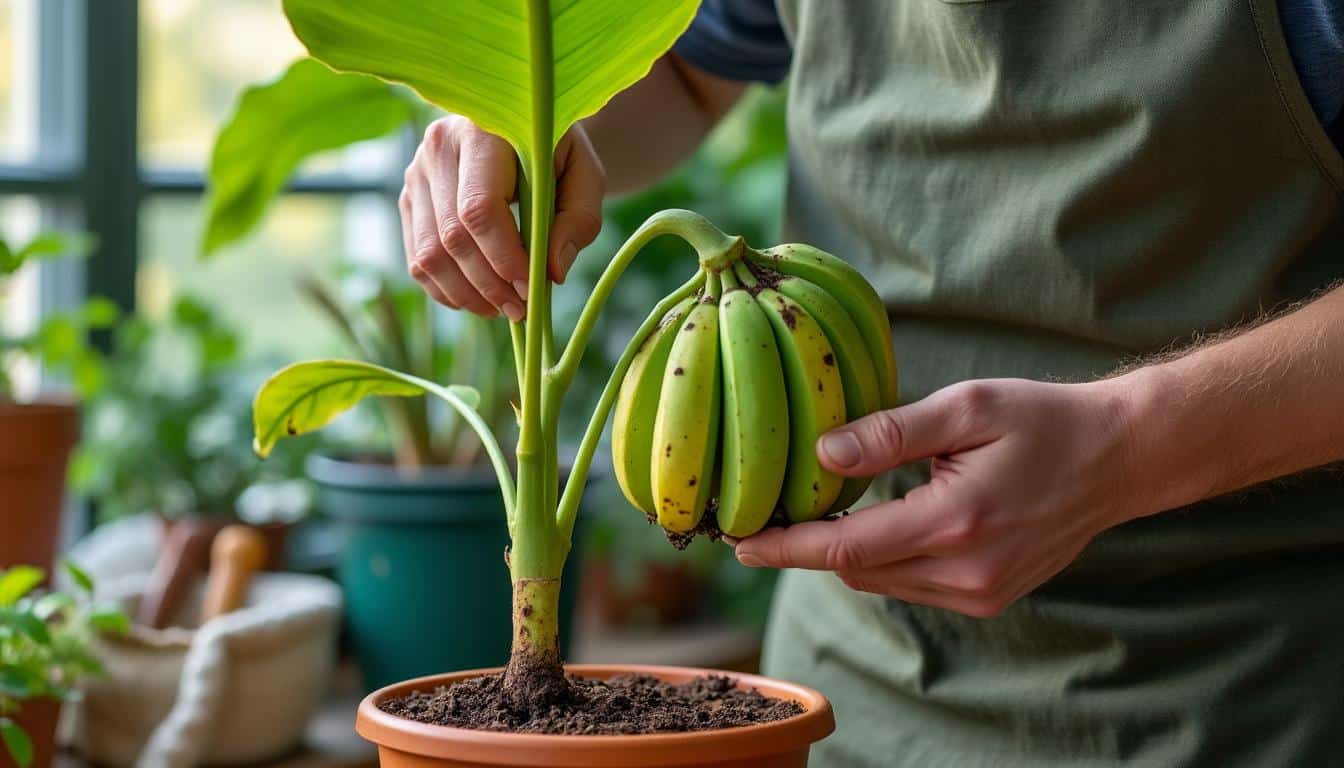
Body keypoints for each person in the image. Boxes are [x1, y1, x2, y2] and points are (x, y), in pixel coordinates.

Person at [397, 1, 1344, 764]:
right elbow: (684, 68)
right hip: (848, 686)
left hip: (1243, 682)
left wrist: (1126, 449)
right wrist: (535, 124)